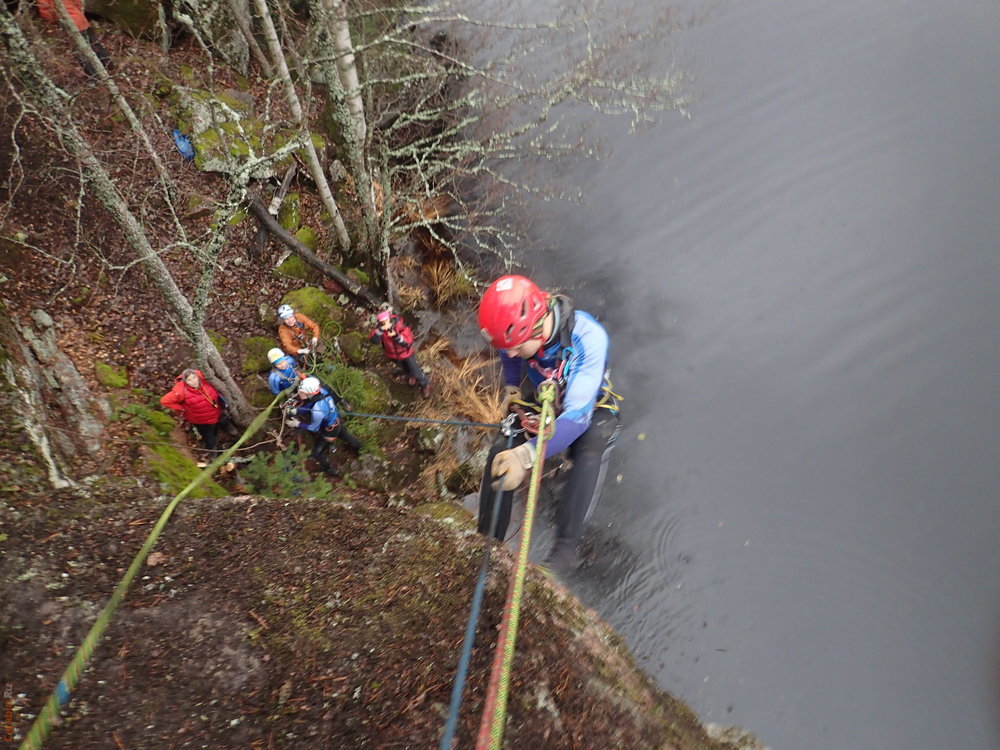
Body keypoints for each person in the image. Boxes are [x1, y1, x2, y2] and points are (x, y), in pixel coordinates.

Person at [476, 275, 622, 577]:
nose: (511, 353)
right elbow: (507, 349)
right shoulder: (517, 335)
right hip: (547, 398)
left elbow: (577, 418)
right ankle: (487, 544)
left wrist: (526, 455)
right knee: (503, 444)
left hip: (589, 406)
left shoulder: (588, 338)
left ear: (535, 327)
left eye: (517, 347)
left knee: (590, 447)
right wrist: (512, 387)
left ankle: (564, 553)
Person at [284, 376, 361, 477]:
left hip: (329, 431)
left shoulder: (318, 412)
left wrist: (297, 424)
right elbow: (312, 404)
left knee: (316, 453)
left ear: (309, 393)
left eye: (301, 391)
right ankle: (360, 449)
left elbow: (314, 427)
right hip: (336, 421)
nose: (298, 392)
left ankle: (329, 469)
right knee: (346, 435)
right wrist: (297, 410)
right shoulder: (322, 391)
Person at [160, 368, 233, 454]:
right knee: (208, 436)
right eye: (189, 380)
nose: (193, 381)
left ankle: (230, 429)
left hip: (217, 411)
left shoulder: (205, 380)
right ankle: (213, 450)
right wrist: (182, 408)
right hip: (201, 420)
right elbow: (164, 401)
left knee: (223, 419)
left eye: (194, 378)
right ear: (185, 382)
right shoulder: (181, 391)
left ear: (197, 377)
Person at [35, 0, 113, 75]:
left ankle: (93, 74)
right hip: (80, 19)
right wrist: (77, 11)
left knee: (79, 51)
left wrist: (54, 20)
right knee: (94, 43)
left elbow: (45, 11)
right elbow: (78, 2)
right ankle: (109, 65)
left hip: (67, 23)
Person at [369, 309, 431, 398]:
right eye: (382, 322)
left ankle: (425, 384)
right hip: (393, 355)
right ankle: (410, 376)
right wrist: (380, 330)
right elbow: (373, 340)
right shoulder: (380, 329)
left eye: (386, 320)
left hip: (406, 354)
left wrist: (396, 336)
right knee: (404, 369)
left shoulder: (400, 325)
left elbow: (407, 342)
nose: (385, 323)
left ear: (389, 318)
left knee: (415, 371)